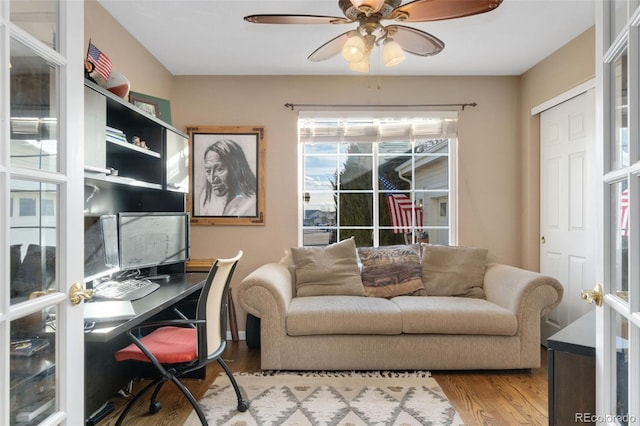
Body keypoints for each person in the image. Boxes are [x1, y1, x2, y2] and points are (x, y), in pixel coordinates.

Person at [198, 139, 257, 216]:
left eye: (219, 169)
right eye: (208, 171)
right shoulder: (205, 197)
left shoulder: (252, 202)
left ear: (235, 168)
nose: (212, 180)